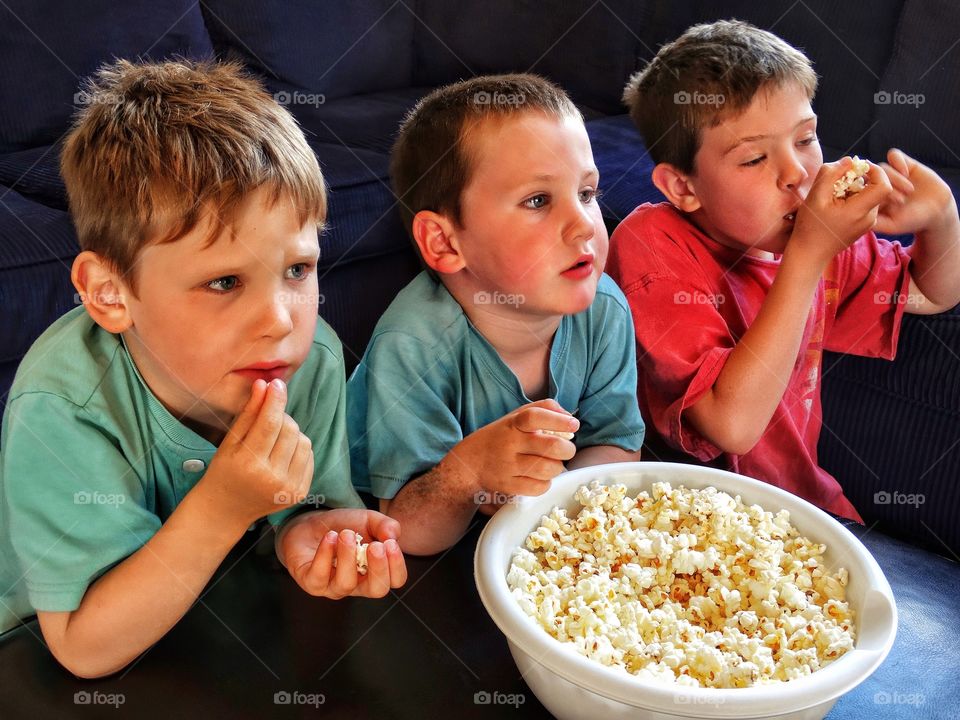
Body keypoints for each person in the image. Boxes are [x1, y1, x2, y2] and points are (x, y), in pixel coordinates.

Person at [0, 59, 406, 677]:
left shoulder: (309, 356)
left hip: (210, 621)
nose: (280, 320)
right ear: (110, 293)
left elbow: (305, 508)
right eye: (224, 281)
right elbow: (85, 649)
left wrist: (314, 536)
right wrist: (222, 507)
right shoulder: (62, 408)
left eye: (297, 270)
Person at [607, 20, 960, 520]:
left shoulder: (817, 241)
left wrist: (942, 218)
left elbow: (930, 292)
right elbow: (730, 426)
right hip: (679, 518)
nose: (797, 173)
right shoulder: (652, 245)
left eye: (806, 138)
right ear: (683, 188)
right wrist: (808, 258)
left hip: (798, 507)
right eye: (754, 159)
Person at [348, 74, 646, 555]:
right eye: (537, 200)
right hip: (406, 527)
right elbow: (412, 533)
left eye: (587, 194)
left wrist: (539, 495)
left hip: (535, 533)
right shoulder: (413, 344)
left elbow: (616, 447)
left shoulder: (604, 307)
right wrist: (470, 472)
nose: (584, 226)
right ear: (445, 243)